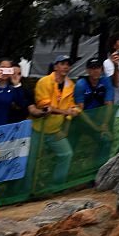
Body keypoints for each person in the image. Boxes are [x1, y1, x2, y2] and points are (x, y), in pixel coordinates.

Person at [28, 54, 79, 191]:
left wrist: (73, 111)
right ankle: (25, 192)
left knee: (66, 154)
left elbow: (71, 105)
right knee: (31, 161)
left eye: (68, 64)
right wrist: (66, 112)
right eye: (62, 63)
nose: (65, 67)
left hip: (55, 130)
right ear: (55, 66)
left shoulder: (70, 85)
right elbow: (46, 107)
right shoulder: (44, 81)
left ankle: (56, 187)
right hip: (38, 129)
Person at [72, 57, 115, 167]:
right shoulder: (81, 84)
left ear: (101, 69)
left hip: (98, 118)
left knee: (106, 141)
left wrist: (105, 124)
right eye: (92, 68)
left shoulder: (105, 81)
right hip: (81, 120)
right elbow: (80, 110)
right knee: (71, 147)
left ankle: (98, 169)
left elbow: (109, 104)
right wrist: (96, 127)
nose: (95, 71)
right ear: (87, 70)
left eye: (98, 68)